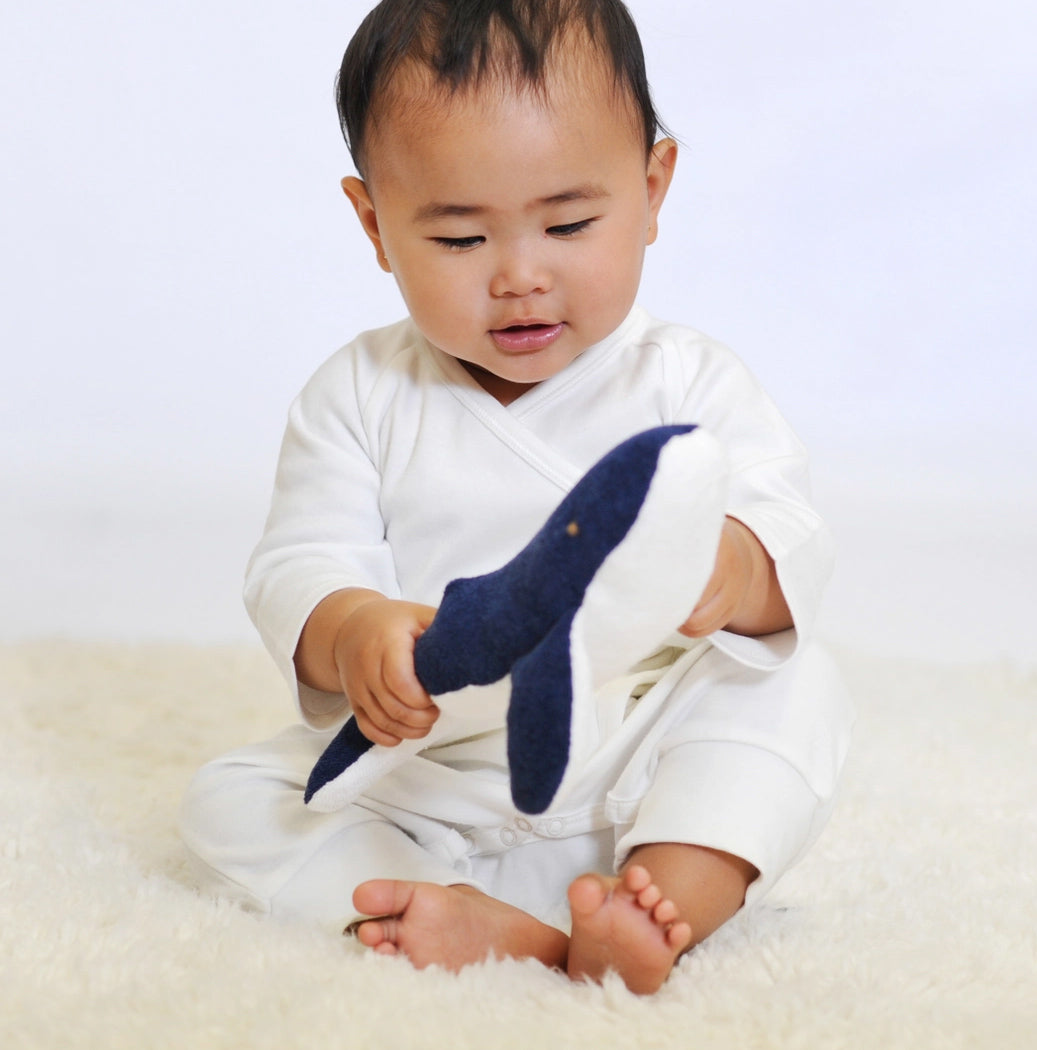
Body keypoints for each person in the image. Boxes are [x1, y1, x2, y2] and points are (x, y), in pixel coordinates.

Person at [179, 0, 852, 995]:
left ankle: (666, 890)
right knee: (229, 800)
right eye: (458, 240)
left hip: (631, 754)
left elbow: (789, 532)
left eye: (571, 223)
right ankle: (474, 916)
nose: (520, 277)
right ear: (375, 224)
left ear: (654, 188)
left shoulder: (688, 384)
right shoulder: (359, 396)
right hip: (436, 772)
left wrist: (734, 564)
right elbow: (298, 562)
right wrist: (353, 626)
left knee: (793, 688)